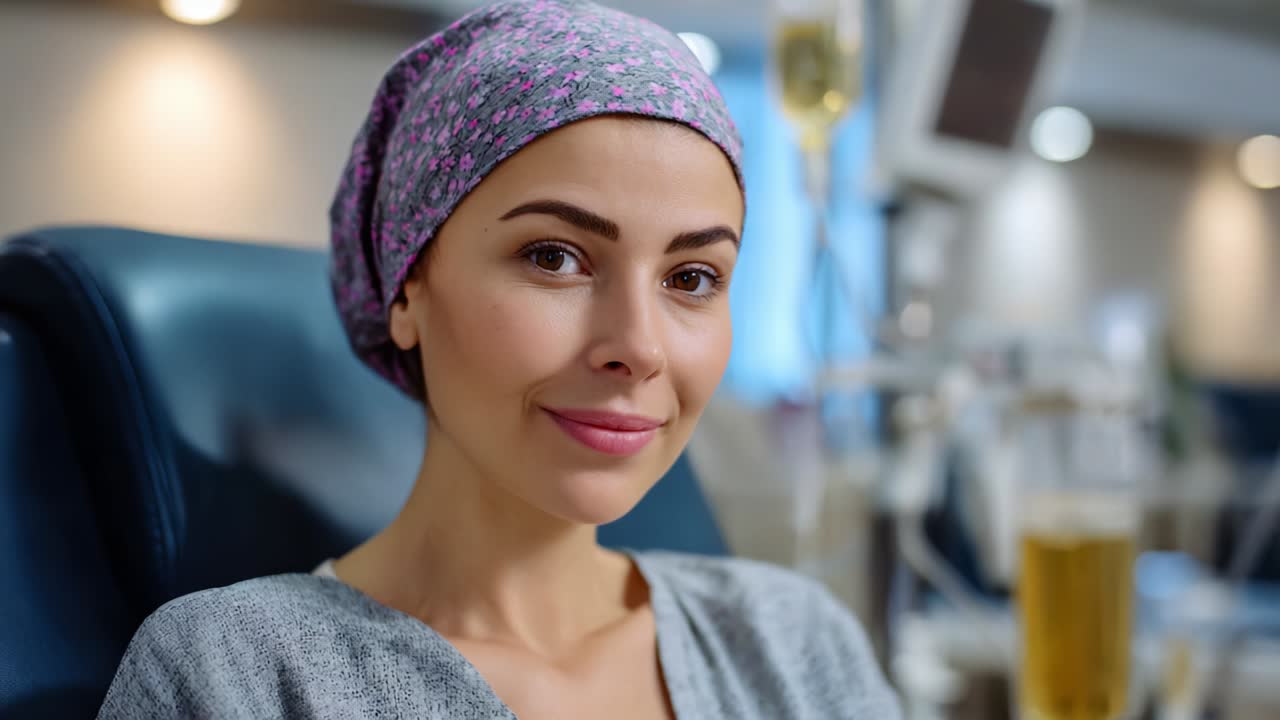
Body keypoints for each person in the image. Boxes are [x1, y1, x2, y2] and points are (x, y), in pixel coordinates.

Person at [97, 1, 901, 718]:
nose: (640, 348)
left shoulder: (795, 645)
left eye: (691, 278)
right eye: (554, 258)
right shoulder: (237, 678)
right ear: (406, 287)